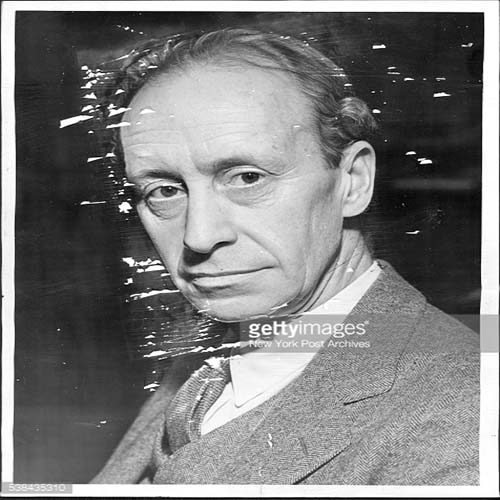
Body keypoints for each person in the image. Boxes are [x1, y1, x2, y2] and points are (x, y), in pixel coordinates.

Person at [91, 28, 479, 485]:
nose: (199, 236)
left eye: (247, 178)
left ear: (352, 181)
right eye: (165, 190)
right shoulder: (212, 357)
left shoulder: (462, 419)